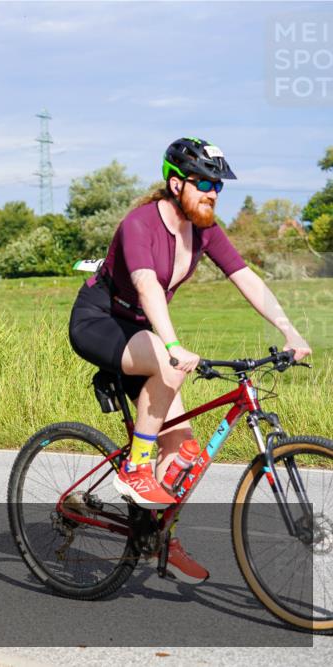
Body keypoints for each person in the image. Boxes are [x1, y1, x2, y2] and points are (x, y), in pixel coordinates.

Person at [68, 137, 311, 583]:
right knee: (165, 360)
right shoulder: (139, 224)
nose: (213, 193)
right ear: (176, 183)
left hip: (144, 330)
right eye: (204, 183)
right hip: (100, 321)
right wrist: (174, 345)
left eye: (218, 185)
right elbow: (146, 286)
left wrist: (289, 330)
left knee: (184, 452)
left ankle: (158, 538)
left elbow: (247, 279)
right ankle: (135, 468)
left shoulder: (204, 229)